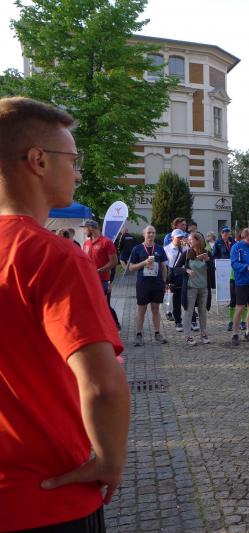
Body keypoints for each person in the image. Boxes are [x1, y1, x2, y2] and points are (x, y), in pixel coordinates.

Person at [0, 96, 129, 532]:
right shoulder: (54, 256)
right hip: (49, 496)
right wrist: (109, 459)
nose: (77, 173)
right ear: (38, 160)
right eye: (73, 161)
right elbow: (102, 385)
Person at [129, 225, 169, 347]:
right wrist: (144, 263)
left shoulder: (160, 249)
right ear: (144, 234)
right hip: (143, 283)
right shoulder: (137, 249)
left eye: (153, 233)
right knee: (142, 309)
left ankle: (157, 333)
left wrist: (164, 282)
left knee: (156, 309)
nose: (151, 235)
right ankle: (138, 334)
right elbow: (131, 267)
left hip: (157, 284)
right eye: (149, 233)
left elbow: (163, 267)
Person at [82, 219, 120, 330]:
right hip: (89, 280)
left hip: (102, 281)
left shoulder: (106, 242)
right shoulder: (86, 243)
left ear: (91, 228)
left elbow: (114, 261)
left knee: (103, 306)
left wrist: (100, 271)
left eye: (85, 229)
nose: (84, 231)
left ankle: (114, 325)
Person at [212, 226, 246, 332]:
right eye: (224, 232)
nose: (226, 234)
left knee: (243, 300)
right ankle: (231, 321)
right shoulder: (219, 243)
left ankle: (243, 321)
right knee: (233, 300)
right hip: (227, 272)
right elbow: (214, 256)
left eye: (228, 232)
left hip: (242, 276)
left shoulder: (236, 244)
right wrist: (217, 264)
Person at [182, 232, 213, 346]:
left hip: (204, 287)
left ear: (198, 241)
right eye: (189, 240)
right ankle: (188, 336)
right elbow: (175, 268)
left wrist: (208, 260)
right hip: (191, 287)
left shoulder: (207, 253)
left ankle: (203, 334)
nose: (189, 241)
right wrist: (187, 270)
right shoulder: (186, 253)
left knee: (203, 311)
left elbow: (212, 269)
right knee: (189, 311)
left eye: (191, 239)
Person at [164, 228, 195, 333]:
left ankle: (192, 320)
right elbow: (165, 265)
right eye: (178, 237)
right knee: (176, 299)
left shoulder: (186, 248)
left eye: (181, 237)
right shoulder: (167, 249)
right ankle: (178, 321)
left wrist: (188, 246)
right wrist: (165, 279)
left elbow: (192, 257)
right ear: (172, 238)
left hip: (185, 273)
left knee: (189, 297)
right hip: (173, 274)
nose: (180, 239)